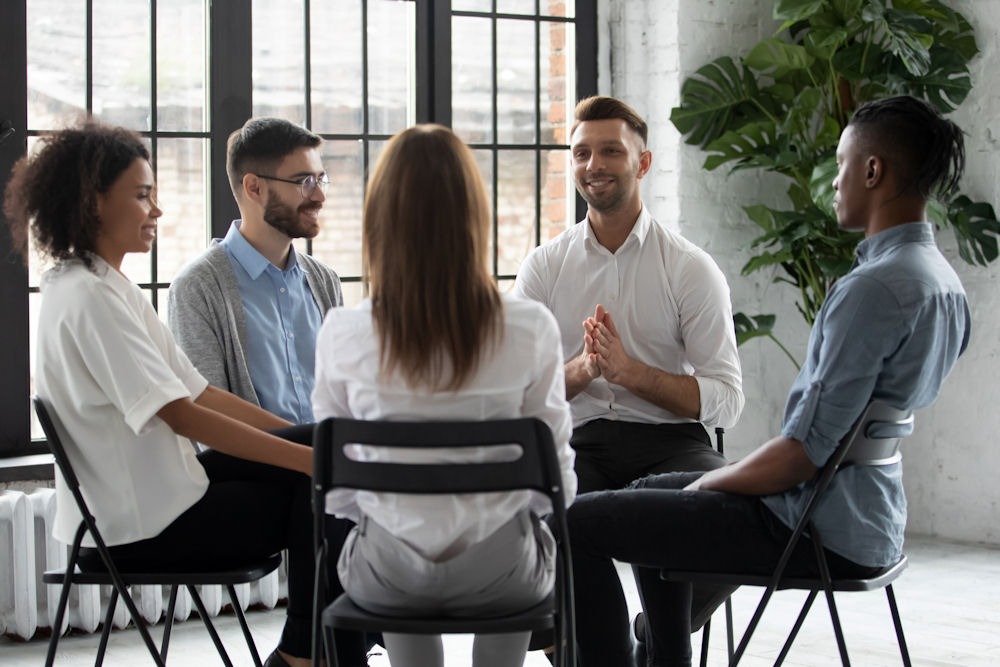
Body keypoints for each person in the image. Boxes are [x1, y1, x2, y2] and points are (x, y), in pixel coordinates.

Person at [566, 95, 972, 666]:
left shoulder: (872, 289)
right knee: (647, 505)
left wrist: (709, 486)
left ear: (873, 171)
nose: (834, 182)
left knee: (576, 520)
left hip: (811, 526)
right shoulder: (942, 283)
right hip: (870, 520)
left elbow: (801, 456)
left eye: (841, 165)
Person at [3, 119, 333, 667]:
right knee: (324, 488)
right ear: (92, 201)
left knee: (335, 448)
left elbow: (199, 392)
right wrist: (306, 459)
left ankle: (320, 649)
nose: (156, 210)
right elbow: (182, 415)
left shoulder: (101, 283)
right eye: (142, 196)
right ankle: (306, 654)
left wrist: (311, 443)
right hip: (146, 527)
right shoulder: (89, 296)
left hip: (168, 498)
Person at [311, 124, 577, 667]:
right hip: (503, 574)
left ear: (380, 221)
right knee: (517, 540)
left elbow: (337, 495)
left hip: (388, 575)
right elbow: (558, 488)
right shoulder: (531, 328)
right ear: (473, 218)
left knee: (392, 541)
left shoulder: (342, 330)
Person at [513, 95, 744, 494]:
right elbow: (518, 390)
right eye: (581, 153)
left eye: (611, 151)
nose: (593, 165)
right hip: (577, 443)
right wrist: (584, 369)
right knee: (539, 496)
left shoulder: (690, 267)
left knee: (709, 500)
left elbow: (727, 399)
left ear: (644, 164)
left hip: (672, 442)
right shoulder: (544, 267)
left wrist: (633, 374)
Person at [168, 117, 342, 425]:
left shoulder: (325, 281)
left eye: (321, 180)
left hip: (331, 468)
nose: (319, 196)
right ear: (254, 187)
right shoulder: (197, 288)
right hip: (253, 472)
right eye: (305, 182)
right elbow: (208, 423)